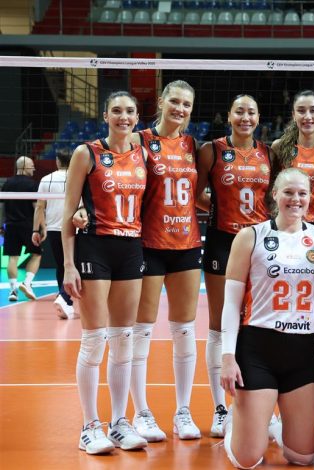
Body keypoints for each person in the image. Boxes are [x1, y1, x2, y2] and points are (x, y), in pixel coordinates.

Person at [220, 168, 314, 468]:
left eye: (302, 193)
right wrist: (228, 356)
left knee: (303, 456)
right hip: (258, 348)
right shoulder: (251, 236)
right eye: (288, 192)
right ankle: (236, 425)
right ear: (275, 195)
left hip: (302, 350)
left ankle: (270, 425)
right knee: (248, 459)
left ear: (310, 197)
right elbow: (231, 304)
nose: (295, 199)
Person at [62, 91, 149, 454]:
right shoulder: (87, 153)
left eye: (129, 111)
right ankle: (89, 426)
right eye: (116, 110)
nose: (123, 116)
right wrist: (68, 265)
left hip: (131, 249)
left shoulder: (144, 153)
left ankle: (119, 423)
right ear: (105, 115)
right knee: (94, 339)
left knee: (124, 338)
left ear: (137, 117)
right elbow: (69, 212)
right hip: (94, 249)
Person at [128, 80, 203, 441]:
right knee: (141, 329)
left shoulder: (193, 145)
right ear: (161, 101)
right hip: (149, 243)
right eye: (175, 101)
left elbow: (200, 194)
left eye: (186, 104)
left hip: (186, 243)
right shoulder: (139, 140)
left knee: (185, 329)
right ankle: (141, 412)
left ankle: (183, 412)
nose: (180, 109)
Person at [196, 94, 272, 438]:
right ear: (229, 115)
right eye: (239, 111)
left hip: (259, 243)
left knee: (257, 322)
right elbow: (196, 194)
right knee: (218, 325)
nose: (245, 117)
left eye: (251, 112)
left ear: (258, 117)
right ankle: (219, 408)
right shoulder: (211, 150)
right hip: (223, 240)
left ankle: (258, 405)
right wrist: (220, 209)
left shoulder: (268, 152)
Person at [270, 89, 314, 432]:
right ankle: (278, 405)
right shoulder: (280, 149)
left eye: (313, 110)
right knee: (284, 313)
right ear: (293, 114)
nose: (307, 116)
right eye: (301, 110)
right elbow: (271, 193)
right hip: (286, 235)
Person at [32, 151, 73, 318]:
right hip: (75, 228)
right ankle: (65, 298)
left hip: (54, 229)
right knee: (73, 264)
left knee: (61, 265)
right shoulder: (77, 177)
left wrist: (36, 230)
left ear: (57, 161)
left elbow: (39, 207)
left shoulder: (46, 179)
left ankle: (64, 297)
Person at [1, 155, 41, 302]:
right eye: (32, 166)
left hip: (11, 225)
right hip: (29, 226)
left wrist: (1, 224)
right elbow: (37, 208)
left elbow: (2, 206)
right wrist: (41, 227)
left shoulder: (7, 183)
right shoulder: (33, 184)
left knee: (13, 258)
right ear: (24, 167)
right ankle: (27, 283)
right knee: (36, 254)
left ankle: (13, 290)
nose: (34, 169)